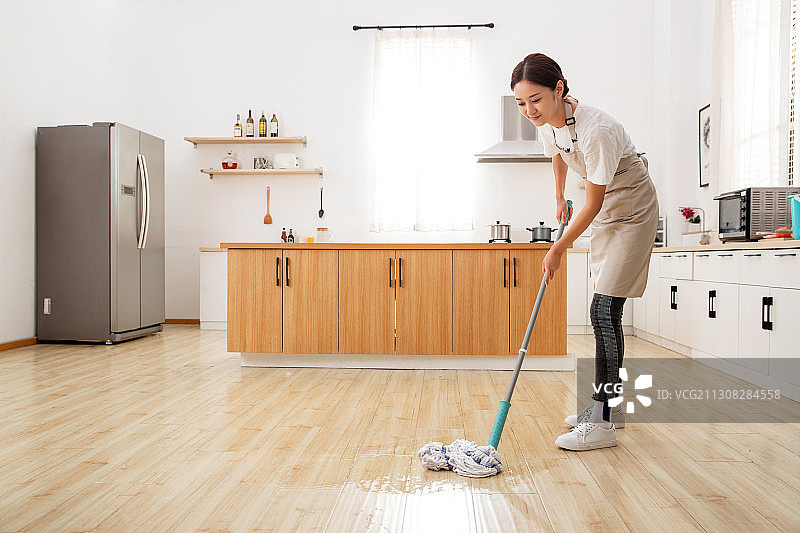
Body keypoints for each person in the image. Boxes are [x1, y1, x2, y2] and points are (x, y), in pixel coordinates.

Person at [511, 53, 659, 451]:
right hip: (609, 209)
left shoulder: (597, 130)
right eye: (521, 103)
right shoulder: (548, 124)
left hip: (633, 210)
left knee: (603, 311)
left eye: (536, 100)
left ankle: (603, 421)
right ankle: (607, 408)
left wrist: (559, 247)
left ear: (560, 88)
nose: (529, 111)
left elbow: (591, 204)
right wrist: (558, 195)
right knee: (606, 312)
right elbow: (559, 154)